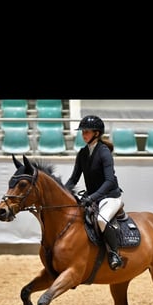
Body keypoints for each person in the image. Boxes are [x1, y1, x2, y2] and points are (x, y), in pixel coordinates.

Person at [64, 115, 124, 270]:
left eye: (87, 132)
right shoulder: (82, 153)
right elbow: (73, 179)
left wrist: (92, 197)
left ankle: (114, 253)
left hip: (109, 197)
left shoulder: (104, 152)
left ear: (96, 133)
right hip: (92, 198)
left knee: (102, 220)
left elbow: (109, 181)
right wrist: (63, 192)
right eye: (82, 132)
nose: (83, 135)